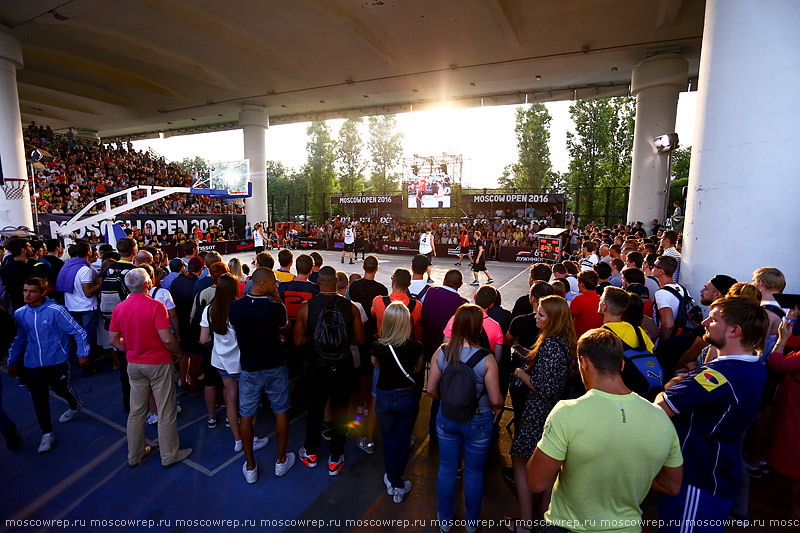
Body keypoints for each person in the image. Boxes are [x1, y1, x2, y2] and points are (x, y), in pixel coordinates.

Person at [526, 328, 683, 533]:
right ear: (622, 365)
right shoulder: (661, 418)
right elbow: (672, 486)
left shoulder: (567, 413)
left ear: (584, 363)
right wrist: (628, 474)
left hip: (568, 527)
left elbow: (535, 482)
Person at [655, 296, 768, 532]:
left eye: (714, 319)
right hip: (715, 471)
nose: (705, 322)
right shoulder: (753, 365)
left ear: (735, 330)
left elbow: (661, 407)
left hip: (698, 477)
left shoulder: (720, 374)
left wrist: (676, 384)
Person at [427, 304, 504, 533]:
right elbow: (497, 399)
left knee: (447, 469)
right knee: (473, 473)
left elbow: (431, 389)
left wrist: (446, 401)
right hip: (478, 420)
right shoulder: (487, 359)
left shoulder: (442, 352)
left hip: (447, 418)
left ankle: (445, 518)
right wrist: (495, 410)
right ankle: (471, 521)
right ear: (477, 327)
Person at [108, 268, 192, 468]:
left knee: (137, 411)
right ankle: (169, 453)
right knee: (166, 409)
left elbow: (113, 339)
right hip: (158, 363)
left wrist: (130, 349)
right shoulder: (156, 306)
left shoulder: (119, 308)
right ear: (147, 284)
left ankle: (134, 454)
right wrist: (178, 351)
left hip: (134, 363)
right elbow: (166, 338)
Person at [506, 296, 577, 529]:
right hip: (551, 410)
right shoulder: (563, 341)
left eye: (541, 315)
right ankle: (544, 514)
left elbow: (543, 387)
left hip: (539, 411)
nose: (536, 317)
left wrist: (520, 373)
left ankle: (526, 522)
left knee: (520, 460)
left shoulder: (550, 344)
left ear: (553, 319)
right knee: (548, 465)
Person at [294, 266, 365, 476]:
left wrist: (315, 340)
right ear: (337, 282)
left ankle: (311, 452)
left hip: (317, 366)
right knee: (341, 411)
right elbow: (360, 340)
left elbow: (298, 341)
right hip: (343, 365)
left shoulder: (306, 307)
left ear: (318, 283)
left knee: (315, 410)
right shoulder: (351, 307)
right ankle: (336, 456)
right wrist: (342, 340)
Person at [7, 278, 89, 454]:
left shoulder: (56, 311)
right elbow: (20, 339)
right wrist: (12, 362)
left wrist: (82, 354)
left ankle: (75, 404)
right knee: (39, 399)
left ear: (43, 293)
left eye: (32, 291)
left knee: (61, 390)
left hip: (57, 361)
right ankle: (46, 433)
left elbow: (78, 331)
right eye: (25, 291)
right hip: (32, 364)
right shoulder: (20, 313)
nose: (27, 295)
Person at [228, 268, 294, 483]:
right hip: (274, 365)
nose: (277, 286)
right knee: (281, 411)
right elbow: (285, 329)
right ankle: (281, 460)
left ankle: (250, 466)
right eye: (274, 283)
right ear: (263, 284)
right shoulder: (276, 309)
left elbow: (239, 329)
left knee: (246, 415)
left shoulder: (236, 307)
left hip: (249, 368)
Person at [371, 302, 424, 503]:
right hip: (407, 396)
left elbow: (374, 363)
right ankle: (397, 481)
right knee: (402, 439)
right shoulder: (416, 347)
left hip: (384, 396)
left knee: (389, 439)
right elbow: (418, 370)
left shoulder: (378, 346)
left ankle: (392, 479)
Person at [765, 309, 800, 519]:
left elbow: (775, 362)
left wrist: (781, 340)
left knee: (792, 449)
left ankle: (795, 513)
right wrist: (789, 321)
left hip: (795, 404)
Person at [57, 241, 101, 376]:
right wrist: (100, 284)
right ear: (88, 253)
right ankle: (88, 366)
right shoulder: (85, 270)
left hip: (71, 307)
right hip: (87, 308)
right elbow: (88, 292)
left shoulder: (66, 267)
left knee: (78, 337)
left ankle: (81, 363)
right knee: (88, 338)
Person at [569, 270, 603, 337]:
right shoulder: (601, 299)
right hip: (598, 336)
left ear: (582, 284)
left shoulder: (578, 299)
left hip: (581, 337)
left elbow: (569, 318)